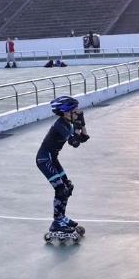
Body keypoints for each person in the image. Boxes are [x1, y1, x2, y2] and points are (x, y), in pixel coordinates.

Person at [35, 96, 90, 234]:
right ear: (66, 113)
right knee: (60, 189)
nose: (78, 112)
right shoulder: (60, 125)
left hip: (52, 158)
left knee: (68, 187)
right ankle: (57, 222)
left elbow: (82, 138)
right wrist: (77, 125)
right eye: (75, 110)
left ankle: (62, 217)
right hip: (44, 159)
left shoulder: (68, 123)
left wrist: (81, 123)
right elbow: (74, 143)